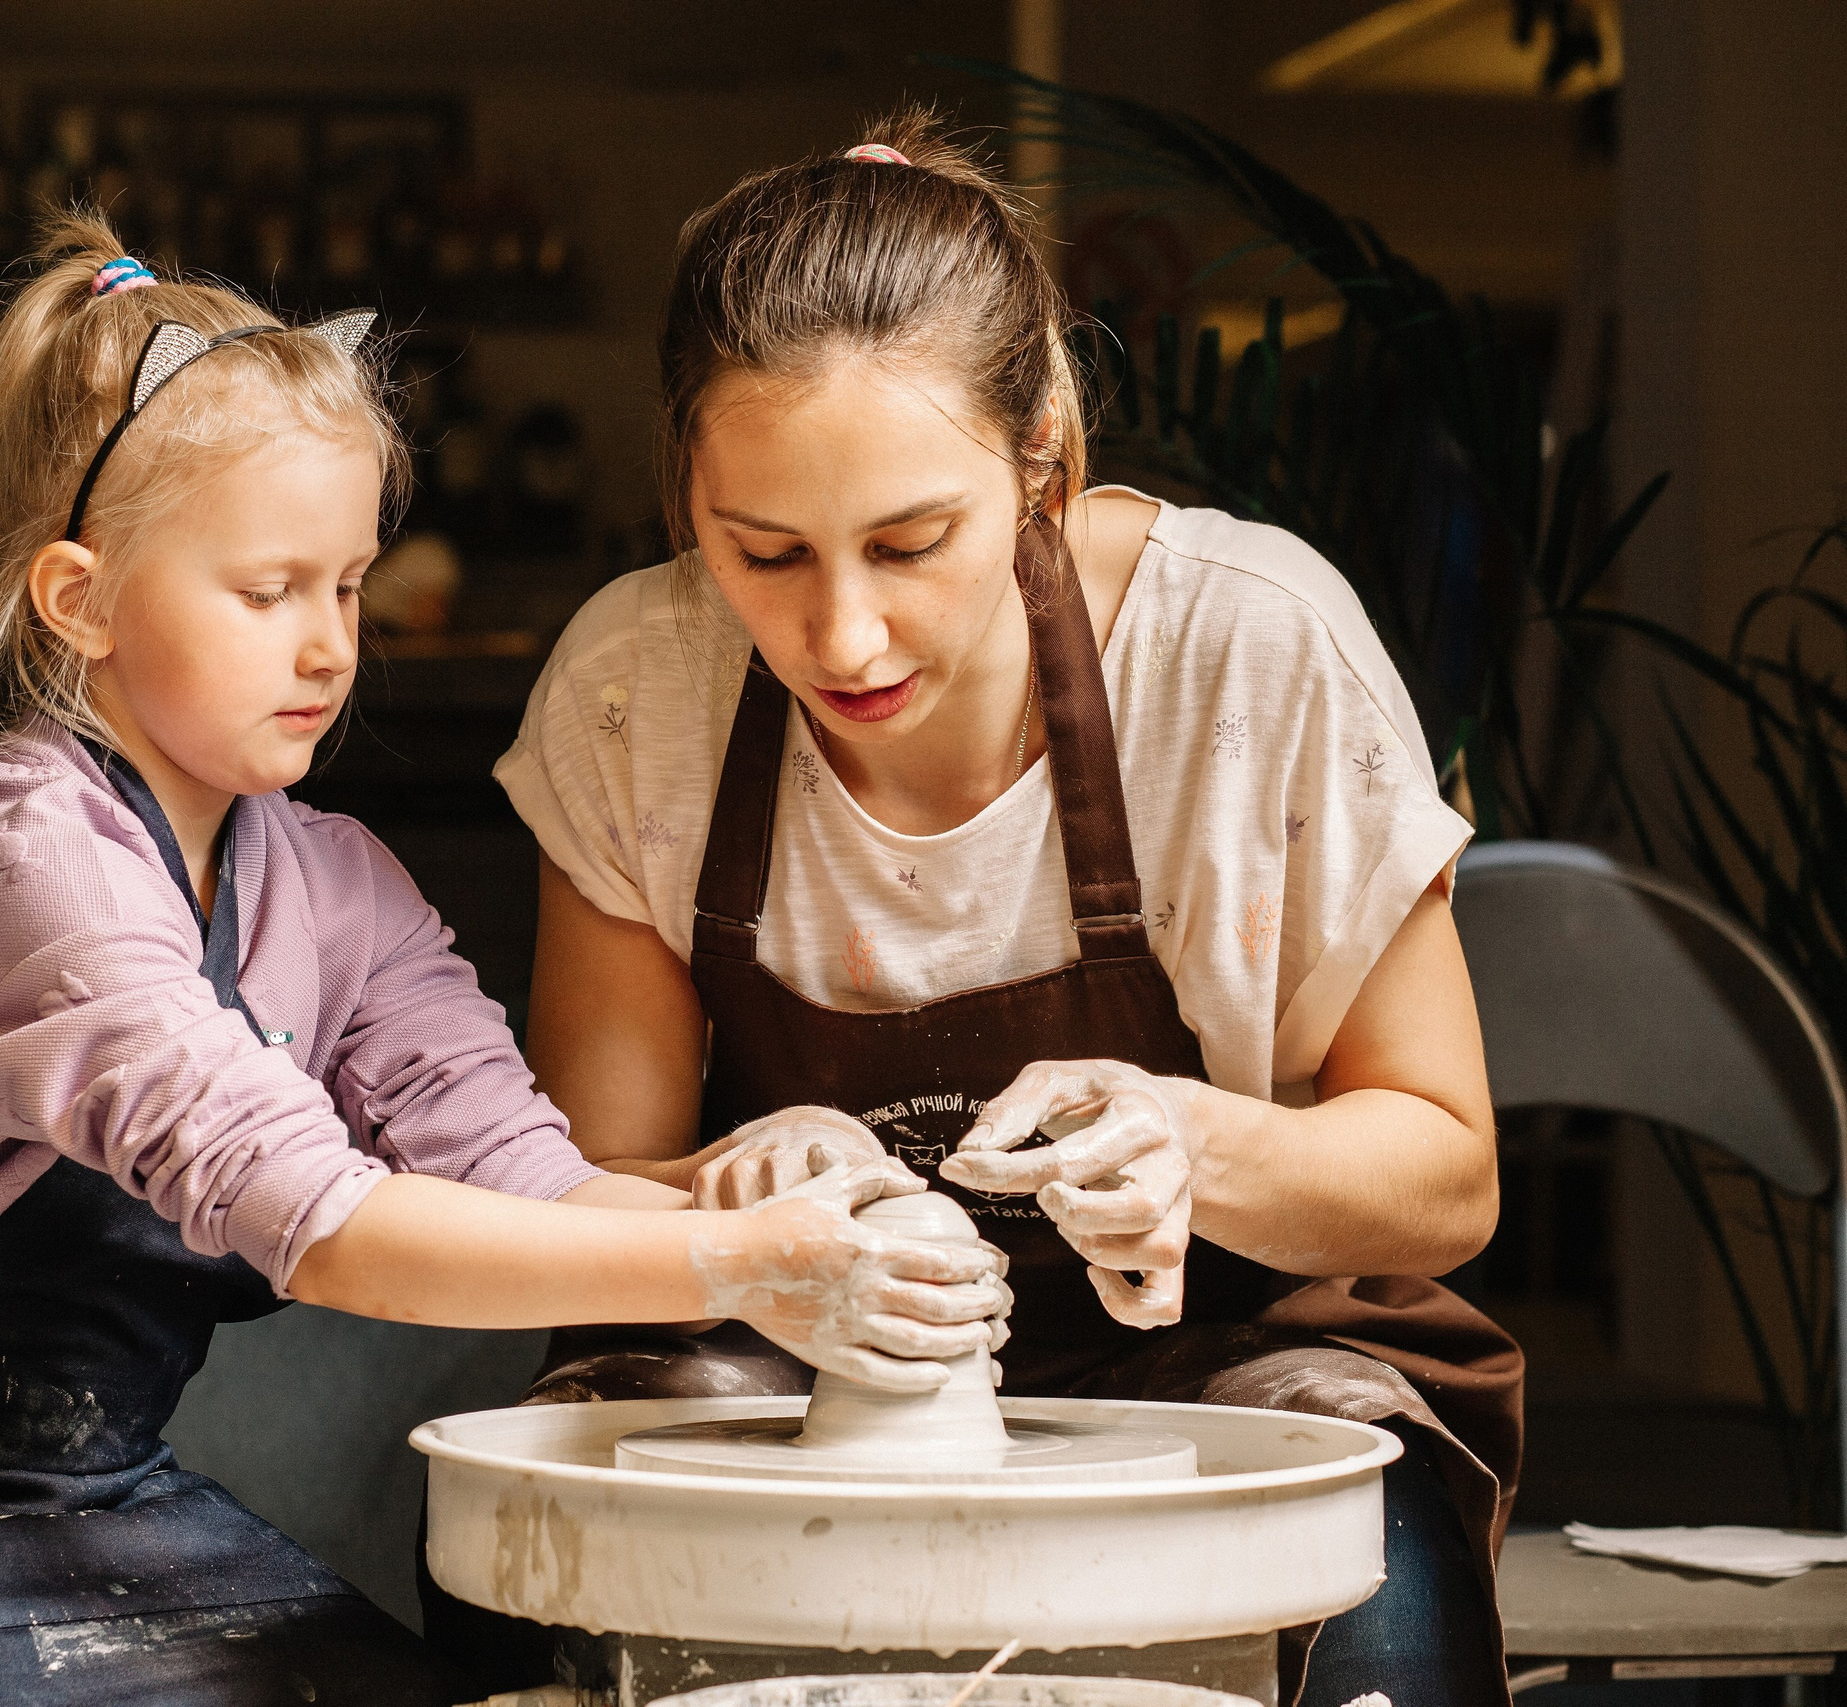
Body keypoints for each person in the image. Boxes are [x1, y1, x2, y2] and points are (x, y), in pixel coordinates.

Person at [0, 217, 1006, 1707]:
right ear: (79, 601)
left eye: (348, 585)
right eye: (268, 592)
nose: (332, 646)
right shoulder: (29, 864)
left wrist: (747, 1181)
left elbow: (523, 1186)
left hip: (86, 1490)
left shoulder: (336, 885)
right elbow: (327, 1228)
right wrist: (739, 1266)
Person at [485, 115, 1521, 1706]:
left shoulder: (1244, 652)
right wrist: (735, 1202)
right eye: (762, 553)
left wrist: (1197, 1142)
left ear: (1044, 455)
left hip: (1236, 1349)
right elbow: (584, 1186)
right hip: (788, 1360)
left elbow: (1447, 1177)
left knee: (1386, 1622)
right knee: (540, 1598)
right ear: (683, 494)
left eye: (914, 543)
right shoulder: (639, 691)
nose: (843, 633)